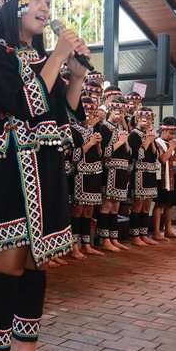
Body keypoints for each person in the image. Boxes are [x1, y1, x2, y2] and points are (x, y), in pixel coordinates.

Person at [0, 0, 88, 351]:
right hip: (10, 170)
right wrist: (58, 57)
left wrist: (74, 75)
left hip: (45, 166)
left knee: (37, 265)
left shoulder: (41, 56)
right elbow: (24, 104)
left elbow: (60, 115)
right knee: (6, 267)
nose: (45, 7)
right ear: (12, 6)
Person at [69, 96, 105, 257]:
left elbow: (100, 154)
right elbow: (74, 155)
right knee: (77, 210)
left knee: (89, 210)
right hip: (80, 173)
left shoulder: (93, 129)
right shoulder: (72, 129)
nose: (89, 115)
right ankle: (73, 246)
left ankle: (86, 243)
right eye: (87, 111)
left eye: (92, 111)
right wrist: (90, 143)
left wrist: (97, 145)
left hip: (95, 171)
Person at [97, 99, 131, 252]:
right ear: (110, 110)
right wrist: (121, 141)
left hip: (122, 169)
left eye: (123, 112)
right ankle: (105, 240)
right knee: (107, 204)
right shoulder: (104, 128)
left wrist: (126, 143)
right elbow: (104, 153)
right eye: (118, 112)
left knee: (116, 205)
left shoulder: (120, 129)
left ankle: (113, 237)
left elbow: (129, 153)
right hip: (110, 170)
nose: (120, 115)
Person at [127, 107, 160, 246]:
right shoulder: (133, 135)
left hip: (150, 172)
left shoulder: (149, 135)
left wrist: (151, 140)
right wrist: (147, 141)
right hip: (139, 172)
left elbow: (155, 155)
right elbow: (137, 155)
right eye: (145, 120)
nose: (148, 123)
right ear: (138, 119)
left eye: (150, 120)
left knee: (147, 206)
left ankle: (143, 233)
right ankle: (135, 236)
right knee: (138, 205)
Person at [154, 117, 176, 240]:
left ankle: (168, 229)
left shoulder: (173, 143)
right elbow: (162, 159)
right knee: (160, 204)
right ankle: (156, 231)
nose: (172, 136)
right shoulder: (157, 142)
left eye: (174, 134)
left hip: (172, 178)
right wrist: (172, 148)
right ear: (163, 130)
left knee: (169, 205)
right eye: (171, 133)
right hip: (161, 177)